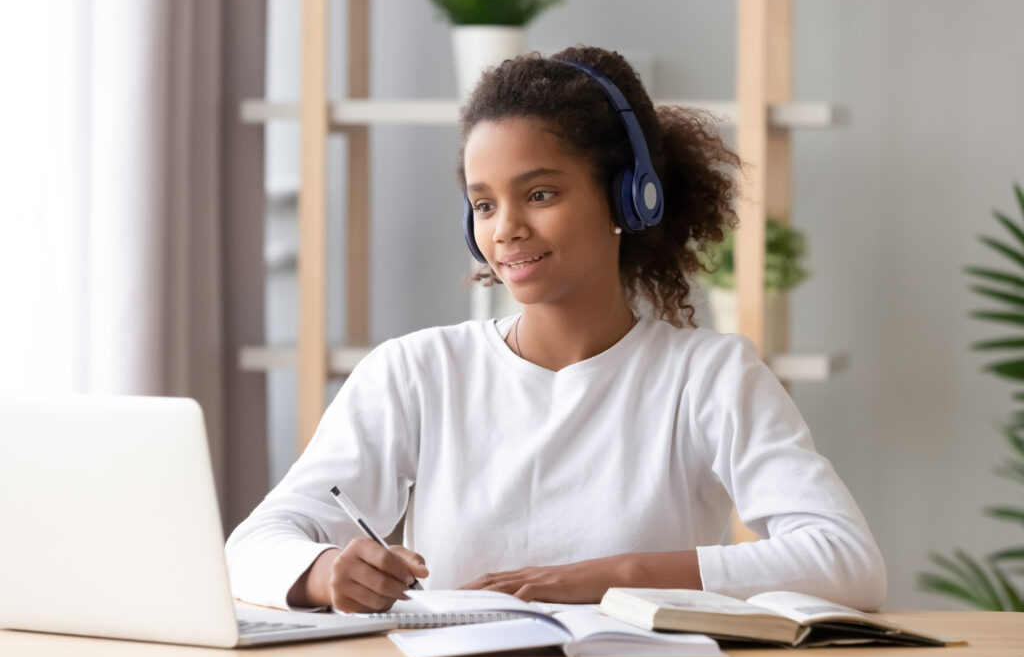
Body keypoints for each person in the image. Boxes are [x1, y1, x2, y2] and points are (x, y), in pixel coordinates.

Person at [225, 45, 886, 615]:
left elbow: (849, 561)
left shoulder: (711, 377)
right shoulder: (415, 372)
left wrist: (617, 576)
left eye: (539, 194)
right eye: (484, 204)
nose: (505, 227)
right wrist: (324, 572)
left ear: (629, 196)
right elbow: (251, 546)